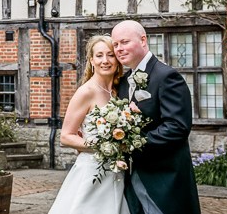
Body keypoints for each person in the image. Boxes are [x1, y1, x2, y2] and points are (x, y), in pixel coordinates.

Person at [110, 20, 201, 214]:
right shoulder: (124, 81)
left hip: (164, 178)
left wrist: (134, 143)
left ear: (143, 40)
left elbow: (177, 127)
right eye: (115, 44)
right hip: (132, 176)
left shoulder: (166, 76)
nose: (119, 49)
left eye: (124, 42)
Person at [47, 34, 129, 214]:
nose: (105, 61)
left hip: (116, 171)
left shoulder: (118, 91)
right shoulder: (86, 92)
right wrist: (102, 146)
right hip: (92, 171)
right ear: (91, 60)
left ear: (117, 60)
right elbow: (66, 137)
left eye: (110, 55)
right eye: (99, 55)